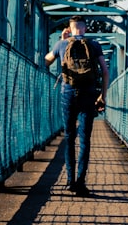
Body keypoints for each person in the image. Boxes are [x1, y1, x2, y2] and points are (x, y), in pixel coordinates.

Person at [45, 16, 109, 197]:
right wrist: (102, 96)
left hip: (68, 93)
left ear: (71, 28)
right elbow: (105, 70)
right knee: (85, 139)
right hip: (88, 94)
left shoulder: (62, 44)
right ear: (84, 28)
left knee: (69, 137)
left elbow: (46, 61)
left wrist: (60, 41)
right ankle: (81, 182)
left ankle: (69, 181)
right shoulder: (94, 45)